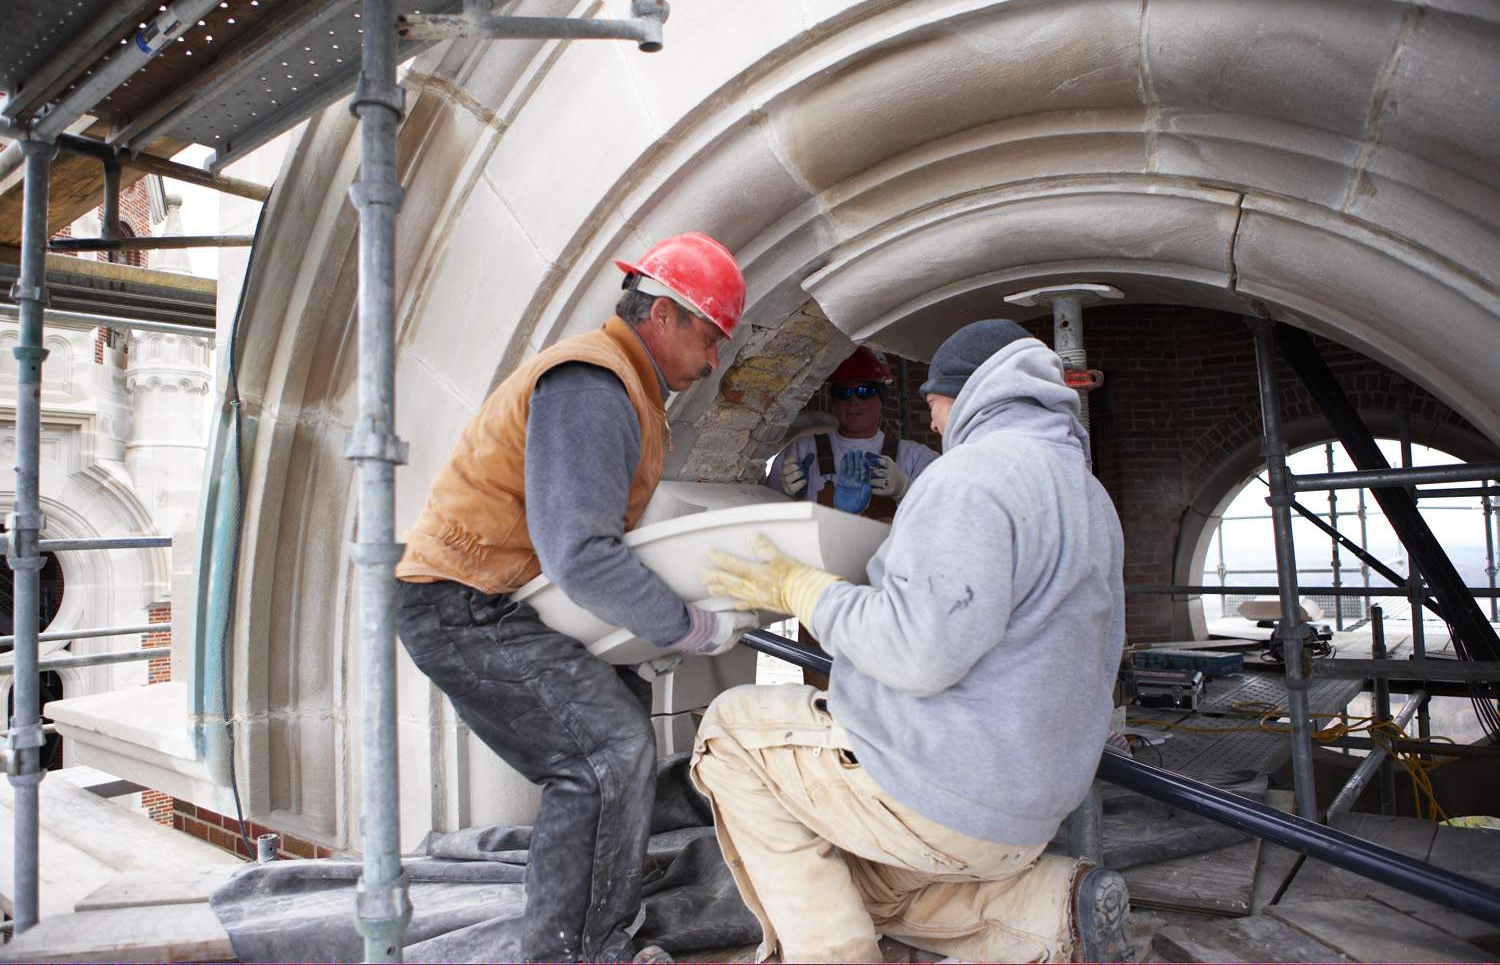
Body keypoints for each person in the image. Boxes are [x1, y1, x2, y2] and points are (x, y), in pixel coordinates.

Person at [692, 319, 1131, 963]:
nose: (931, 422)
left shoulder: (970, 478)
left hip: (949, 789)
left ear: (971, 392)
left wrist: (799, 589)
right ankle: (1046, 913)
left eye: (932, 402)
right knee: (851, 876)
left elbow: (918, 651)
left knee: (730, 732)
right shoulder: (1085, 490)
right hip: (1033, 806)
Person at [394, 232, 759, 963]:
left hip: (498, 600)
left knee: (619, 717)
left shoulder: (623, 385)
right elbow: (581, 554)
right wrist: (686, 626)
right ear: (664, 315)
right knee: (605, 752)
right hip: (460, 603)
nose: (715, 360)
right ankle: (576, 950)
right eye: (711, 336)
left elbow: (591, 541)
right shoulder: (593, 386)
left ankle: (606, 884)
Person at [766, 346, 938, 522]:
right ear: (834, 400)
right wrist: (787, 496)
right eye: (843, 393)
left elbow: (942, 514)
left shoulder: (915, 457)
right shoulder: (802, 451)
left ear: (882, 398)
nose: (853, 401)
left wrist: (904, 488)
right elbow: (765, 513)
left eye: (864, 391)